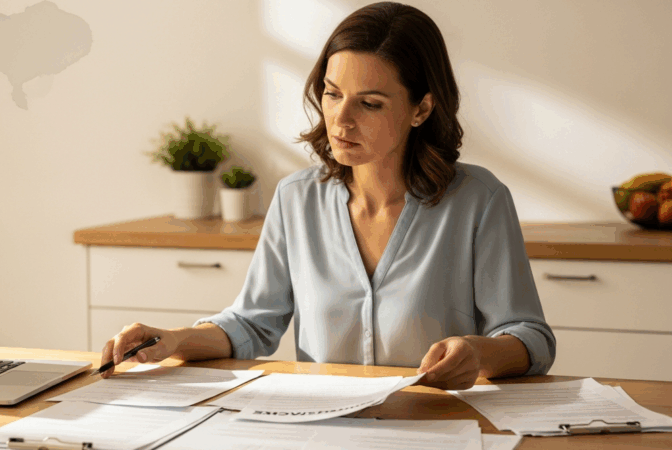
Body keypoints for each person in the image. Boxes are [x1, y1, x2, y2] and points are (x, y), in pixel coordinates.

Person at [100, 1, 555, 390]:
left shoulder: (479, 200)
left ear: (421, 108)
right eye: (333, 94)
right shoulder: (296, 199)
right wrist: (174, 340)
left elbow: (530, 336)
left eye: (370, 103)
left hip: (434, 427)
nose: (340, 121)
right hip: (321, 429)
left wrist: (481, 354)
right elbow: (254, 323)